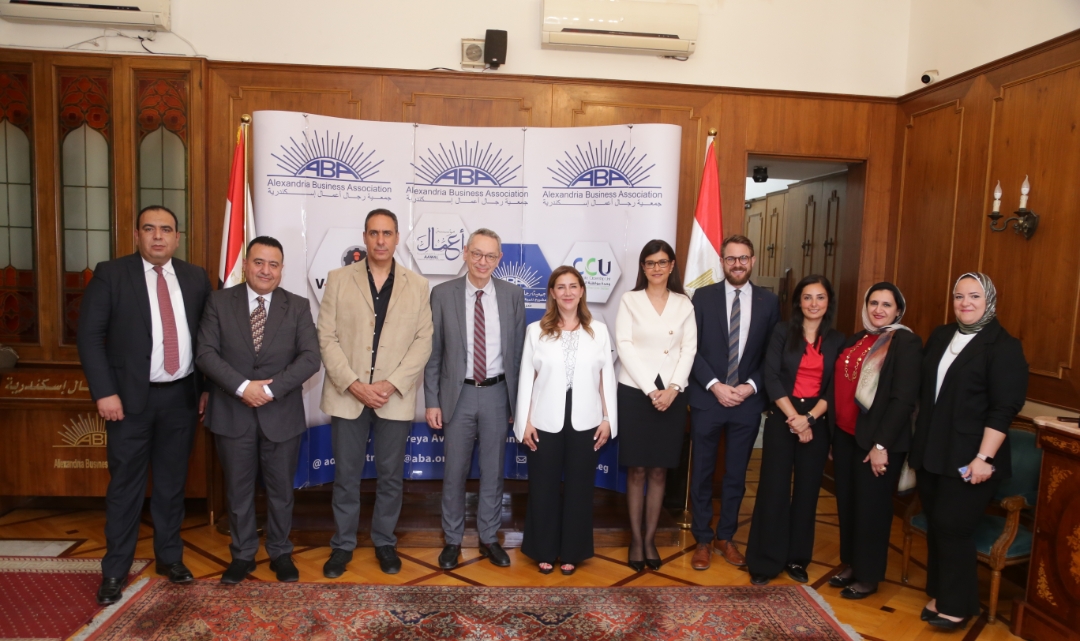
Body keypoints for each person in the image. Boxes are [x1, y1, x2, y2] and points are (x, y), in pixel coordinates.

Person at [77, 205, 211, 605]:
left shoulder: (195, 277)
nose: (157, 236)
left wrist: (206, 388)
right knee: (126, 487)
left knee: (171, 485)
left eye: (165, 229)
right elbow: (89, 337)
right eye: (149, 229)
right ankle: (115, 570)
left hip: (181, 398)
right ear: (136, 234)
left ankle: (170, 558)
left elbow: (207, 339)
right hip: (128, 400)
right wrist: (104, 392)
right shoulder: (111, 274)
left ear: (177, 237)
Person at [195, 236, 321, 584]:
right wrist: (242, 387)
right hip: (231, 413)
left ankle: (280, 552)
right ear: (246, 265)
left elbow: (311, 358)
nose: (266, 270)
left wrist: (268, 390)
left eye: (273, 264)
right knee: (238, 492)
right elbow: (205, 353)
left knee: (281, 492)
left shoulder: (297, 306)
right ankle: (242, 554)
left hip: (280, 415)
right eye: (259, 262)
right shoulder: (219, 302)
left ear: (281, 269)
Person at [318, 209, 433, 577]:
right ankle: (342, 545)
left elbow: (423, 341)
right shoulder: (338, 279)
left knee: (390, 477)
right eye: (374, 233)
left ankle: (384, 542)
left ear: (397, 237)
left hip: (392, 397)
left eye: (387, 233)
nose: (380, 240)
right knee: (346, 477)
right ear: (364, 237)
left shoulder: (418, 285)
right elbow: (326, 337)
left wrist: (391, 384)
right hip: (347, 395)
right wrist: (354, 384)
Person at [910, 273, 1027, 631]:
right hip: (932, 451)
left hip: (972, 457)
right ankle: (940, 594)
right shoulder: (942, 335)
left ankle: (957, 606)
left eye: (974, 296)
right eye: (959, 296)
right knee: (937, 525)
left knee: (954, 528)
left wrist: (984, 458)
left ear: (989, 299)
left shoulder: (1003, 346)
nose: (965, 303)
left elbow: (1004, 409)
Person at [425, 228, 526, 570]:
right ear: (466, 253)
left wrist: (516, 403)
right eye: (478, 253)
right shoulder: (442, 294)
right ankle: (452, 540)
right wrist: (432, 400)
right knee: (454, 471)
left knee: (493, 472)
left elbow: (518, 355)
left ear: (499, 259)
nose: (483, 261)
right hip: (458, 395)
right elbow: (433, 354)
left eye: (491, 256)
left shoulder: (513, 295)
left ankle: (489, 537)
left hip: (498, 394)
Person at [516, 266, 617, 575]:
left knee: (579, 489)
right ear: (552, 293)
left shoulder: (599, 331)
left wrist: (608, 418)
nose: (568, 292)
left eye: (574, 286)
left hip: (587, 421)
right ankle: (543, 550)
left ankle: (573, 551)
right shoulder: (536, 330)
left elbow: (606, 377)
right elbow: (527, 378)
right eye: (561, 287)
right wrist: (525, 422)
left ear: (582, 291)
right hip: (543, 421)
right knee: (543, 488)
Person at [745, 274, 845, 585]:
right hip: (782, 417)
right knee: (773, 489)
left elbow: (835, 388)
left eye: (820, 297)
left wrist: (809, 419)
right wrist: (794, 419)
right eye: (807, 297)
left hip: (817, 421)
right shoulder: (782, 331)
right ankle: (765, 561)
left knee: (807, 492)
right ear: (798, 302)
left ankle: (797, 559)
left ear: (828, 302)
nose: (814, 303)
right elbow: (771, 377)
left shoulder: (838, 340)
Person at [688, 235, 780, 570]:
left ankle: (725, 536)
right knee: (702, 472)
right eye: (731, 258)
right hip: (708, 398)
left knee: (736, 475)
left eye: (743, 258)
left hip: (747, 402)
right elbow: (690, 348)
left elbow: (773, 353)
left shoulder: (770, 302)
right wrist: (715, 385)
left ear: (752, 261)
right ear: (722, 262)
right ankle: (702, 538)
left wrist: (751, 387)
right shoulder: (702, 297)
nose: (737, 264)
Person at [826, 283, 922, 598]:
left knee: (872, 510)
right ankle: (852, 564)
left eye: (887, 305)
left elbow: (903, 399)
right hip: (846, 436)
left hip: (878, 443)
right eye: (873, 303)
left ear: (898, 310)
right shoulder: (857, 339)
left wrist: (881, 445)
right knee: (848, 505)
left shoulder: (905, 342)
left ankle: (868, 576)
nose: (879, 310)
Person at [615, 240, 696, 571]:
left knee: (660, 470)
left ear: (672, 265)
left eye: (662, 262)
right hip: (636, 392)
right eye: (650, 263)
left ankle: (650, 539)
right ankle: (636, 540)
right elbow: (624, 346)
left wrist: (673, 388)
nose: (657, 268)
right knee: (637, 470)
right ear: (643, 267)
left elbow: (689, 349)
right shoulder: (629, 299)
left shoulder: (684, 303)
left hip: (673, 395)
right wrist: (652, 390)